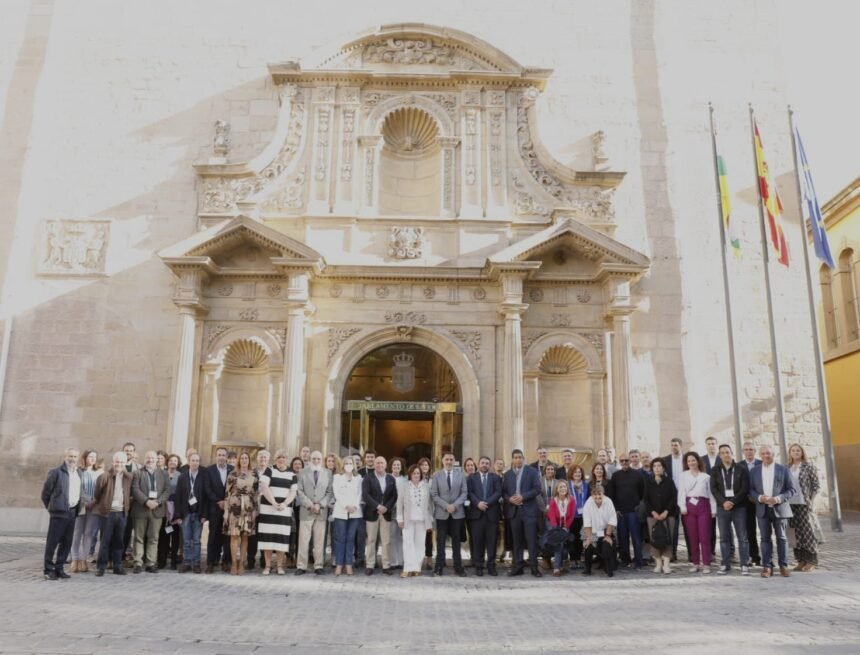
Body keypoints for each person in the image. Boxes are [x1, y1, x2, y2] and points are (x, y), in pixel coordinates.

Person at [749, 444, 796, 578]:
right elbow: (750, 490)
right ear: (760, 455)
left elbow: (792, 490)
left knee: (781, 538)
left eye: (768, 453)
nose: (765, 456)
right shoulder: (754, 471)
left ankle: (783, 566)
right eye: (763, 453)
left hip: (780, 509)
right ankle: (767, 567)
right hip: (762, 509)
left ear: (773, 454)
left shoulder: (783, 470)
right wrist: (759, 497)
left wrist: (778, 498)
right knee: (764, 539)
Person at [710, 444, 750, 576]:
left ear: (732, 453)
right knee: (724, 537)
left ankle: (744, 564)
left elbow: (745, 489)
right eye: (722, 453)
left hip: (739, 507)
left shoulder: (741, 469)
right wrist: (723, 502)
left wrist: (732, 502)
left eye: (727, 452)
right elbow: (714, 489)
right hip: (722, 508)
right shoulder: (715, 470)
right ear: (719, 455)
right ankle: (725, 564)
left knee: (742, 537)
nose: (725, 454)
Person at [41, 449, 81, 580]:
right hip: (58, 513)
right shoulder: (56, 472)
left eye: (75, 456)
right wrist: (52, 509)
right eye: (70, 456)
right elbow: (45, 494)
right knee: (52, 542)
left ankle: (59, 568)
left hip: (72, 512)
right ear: (65, 457)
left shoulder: (78, 473)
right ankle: (48, 569)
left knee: (66, 542)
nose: (72, 459)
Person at [502, 449, 542, 577]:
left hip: (529, 511)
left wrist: (522, 497)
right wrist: (510, 499)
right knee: (516, 541)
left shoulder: (532, 472)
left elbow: (537, 489)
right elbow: (504, 492)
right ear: (512, 460)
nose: (518, 459)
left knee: (531, 541)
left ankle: (534, 568)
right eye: (516, 457)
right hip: (514, 512)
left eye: (520, 457)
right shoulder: (507, 475)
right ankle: (518, 567)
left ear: (523, 458)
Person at [92, 451, 133, 577]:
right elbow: (97, 494)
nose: (119, 464)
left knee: (119, 541)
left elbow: (130, 494)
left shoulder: (128, 477)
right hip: (107, 514)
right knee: (105, 541)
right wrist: (104, 505)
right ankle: (101, 567)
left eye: (121, 462)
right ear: (113, 462)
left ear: (125, 463)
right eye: (117, 461)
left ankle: (117, 566)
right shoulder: (104, 476)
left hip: (121, 513)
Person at [257, 450, 297, 575]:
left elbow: (293, 492)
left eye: (284, 457)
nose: (281, 459)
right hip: (268, 508)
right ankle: (268, 566)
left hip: (284, 510)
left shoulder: (292, 473)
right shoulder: (269, 470)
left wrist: (284, 503)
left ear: (287, 459)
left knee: (281, 538)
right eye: (279, 457)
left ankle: (280, 566)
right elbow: (264, 486)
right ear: (275, 459)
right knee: (267, 538)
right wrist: (273, 502)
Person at [677, 451, 716, 573]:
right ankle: (695, 563)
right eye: (689, 461)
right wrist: (682, 506)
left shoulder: (706, 477)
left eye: (693, 460)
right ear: (686, 463)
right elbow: (681, 492)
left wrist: (713, 509)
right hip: (689, 507)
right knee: (692, 536)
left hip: (704, 505)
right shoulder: (683, 475)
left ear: (698, 461)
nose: (691, 463)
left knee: (704, 536)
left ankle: (706, 563)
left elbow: (711, 495)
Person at [131, 450, 170, 574]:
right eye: (148, 458)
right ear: (144, 459)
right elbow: (135, 489)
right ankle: (138, 562)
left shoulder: (164, 474)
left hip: (157, 510)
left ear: (157, 460)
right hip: (141, 509)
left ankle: (151, 563)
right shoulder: (137, 473)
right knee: (138, 537)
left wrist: (158, 502)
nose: (151, 460)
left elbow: (167, 490)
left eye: (153, 458)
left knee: (154, 538)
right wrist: (147, 501)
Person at [430, 452, 468, 577]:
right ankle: (439, 567)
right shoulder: (436, 475)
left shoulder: (460, 475)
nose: (449, 462)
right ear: (442, 461)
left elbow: (464, 493)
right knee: (440, 541)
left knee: (456, 542)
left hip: (457, 514)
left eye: (451, 459)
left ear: (454, 461)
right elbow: (434, 495)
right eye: (447, 459)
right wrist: (447, 506)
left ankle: (458, 567)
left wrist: (454, 506)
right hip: (442, 513)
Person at [295, 451, 332, 576]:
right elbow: (299, 491)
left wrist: (320, 504)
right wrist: (310, 504)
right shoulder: (302, 472)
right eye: (314, 458)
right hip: (307, 510)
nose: (316, 461)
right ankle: (301, 565)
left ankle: (318, 565)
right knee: (304, 539)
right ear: (310, 459)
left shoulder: (328, 473)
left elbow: (330, 492)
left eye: (318, 459)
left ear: (322, 460)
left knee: (319, 540)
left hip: (321, 511)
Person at [223, 452, 259, 575]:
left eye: (246, 458)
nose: (244, 460)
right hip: (234, 508)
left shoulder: (254, 474)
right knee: (234, 536)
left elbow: (255, 494)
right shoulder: (232, 474)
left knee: (244, 537)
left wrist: (255, 510)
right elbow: (227, 494)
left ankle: (242, 563)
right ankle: (234, 563)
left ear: (249, 460)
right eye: (242, 458)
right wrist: (226, 512)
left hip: (248, 508)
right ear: (239, 460)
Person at [787, 443, 821, 572]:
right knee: (796, 533)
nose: (795, 452)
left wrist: (811, 502)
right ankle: (801, 560)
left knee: (808, 533)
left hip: (804, 503)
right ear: (790, 453)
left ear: (802, 452)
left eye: (798, 450)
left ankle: (812, 561)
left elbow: (816, 486)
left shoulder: (808, 466)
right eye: (793, 450)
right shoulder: (788, 468)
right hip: (791, 504)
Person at [466, 456, 502, 577]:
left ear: (490, 465)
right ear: (478, 464)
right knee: (478, 541)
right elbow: (469, 492)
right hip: (476, 514)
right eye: (482, 463)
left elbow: (498, 492)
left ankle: (491, 566)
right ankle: (479, 566)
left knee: (492, 542)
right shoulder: (471, 478)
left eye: (487, 463)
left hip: (492, 514)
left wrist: (487, 503)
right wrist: (478, 503)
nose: (485, 465)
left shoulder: (496, 478)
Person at [397, 464, 434, 578]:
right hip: (408, 520)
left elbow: (430, 505)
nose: (416, 475)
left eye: (418, 473)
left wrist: (430, 520)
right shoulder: (404, 486)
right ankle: (407, 568)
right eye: (414, 473)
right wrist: (400, 518)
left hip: (422, 520)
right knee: (408, 544)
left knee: (420, 544)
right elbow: (400, 503)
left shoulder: (426, 486)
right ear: (410, 474)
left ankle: (416, 568)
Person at [610, 452, 646, 569]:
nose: (625, 463)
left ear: (630, 461)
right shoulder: (615, 476)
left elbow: (643, 493)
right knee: (623, 538)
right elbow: (612, 494)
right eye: (622, 461)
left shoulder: (638, 475)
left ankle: (638, 561)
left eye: (626, 460)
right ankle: (625, 560)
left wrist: (638, 507)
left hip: (633, 512)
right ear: (619, 462)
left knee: (636, 537)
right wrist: (616, 509)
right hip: (620, 512)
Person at [362, 456, 397, 575]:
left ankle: (386, 565)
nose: (379, 465)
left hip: (386, 514)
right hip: (372, 513)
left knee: (386, 541)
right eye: (377, 463)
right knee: (371, 540)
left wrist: (386, 507)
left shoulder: (391, 478)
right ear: (374, 465)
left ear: (386, 465)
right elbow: (366, 495)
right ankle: (370, 565)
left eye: (382, 463)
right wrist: (378, 506)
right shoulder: (368, 478)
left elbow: (394, 496)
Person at [70, 449, 103, 573]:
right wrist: (85, 501)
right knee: (77, 532)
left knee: (89, 533)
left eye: (95, 457)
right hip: (81, 505)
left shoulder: (99, 472)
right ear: (85, 458)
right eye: (90, 457)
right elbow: (78, 487)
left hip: (94, 506)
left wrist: (94, 501)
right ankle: (75, 559)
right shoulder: (79, 471)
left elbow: (101, 489)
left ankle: (84, 559)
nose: (93, 459)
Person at [202, 447, 233, 573]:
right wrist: (218, 501)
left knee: (227, 536)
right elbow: (207, 489)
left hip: (229, 509)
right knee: (213, 536)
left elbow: (235, 488)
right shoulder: (209, 470)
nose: (221, 457)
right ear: (216, 456)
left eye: (223, 455)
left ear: (226, 457)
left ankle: (226, 561)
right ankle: (211, 561)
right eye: (219, 455)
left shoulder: (232, 469)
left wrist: (226, 502)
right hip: (214, 508)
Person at [332, 455, 363, 576]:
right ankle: (339, 565)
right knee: (340, 539)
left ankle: (349, 564)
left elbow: (360, 493)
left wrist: (354, 506)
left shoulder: (358, 478)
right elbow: (337, 494)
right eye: (346, 463)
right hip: (341, 511)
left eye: (351, 463)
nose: (349, 465)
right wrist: (346, 506)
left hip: (355, 512)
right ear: (343, 465)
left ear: (354, 465)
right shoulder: (337, 477)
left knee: (350, 539)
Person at [174, 452, 205, 573]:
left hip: (198, 513)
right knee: (186, 541)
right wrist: (178, 515)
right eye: (193, 460)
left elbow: (205, 497)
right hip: (185, 513)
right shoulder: (182, 477)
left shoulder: (203, 476)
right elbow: (178, 497)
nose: (195, 463)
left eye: (197, 461)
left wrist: (204, 515)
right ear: (189, 461)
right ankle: (186, 562)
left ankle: (196, 563)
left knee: (196, 540)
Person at [644, 458, 676, 574]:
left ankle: (666, 565)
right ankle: (658, 564)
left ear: (663, 468)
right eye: (655, 466)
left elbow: (673, 498)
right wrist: (653, 512)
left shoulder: (669, 482)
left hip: (668, 515)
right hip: (652, 515)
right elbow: (646, 499)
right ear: (652, 469)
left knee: (667, 539)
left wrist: (666, 512)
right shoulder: (648, 482)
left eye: (659, 466)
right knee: (654, 539)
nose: (657, 468)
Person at [581, 483, 617, 577]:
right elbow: (587, 521)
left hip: (607, 529)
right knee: (588, 547)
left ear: (603, 494)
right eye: (595, 494)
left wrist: (608, 535)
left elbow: (612, 519)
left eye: (599, 494)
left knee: (606, 545)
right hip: (592, 530)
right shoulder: (588, 503)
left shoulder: (608, 502)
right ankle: (587, 569)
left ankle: (608, 568)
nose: (597, 497)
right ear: (592, 495)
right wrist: (589, 538)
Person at [661, 438, 685, 561]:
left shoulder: (686, 459)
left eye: (676, 445)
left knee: (688, 526)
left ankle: (692, 554)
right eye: (672, 445)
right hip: (671, 497)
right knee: (673, 528)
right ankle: (672, 553)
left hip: (686, 495)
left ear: (680, 446)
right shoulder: (665, 460)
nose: (674, 447)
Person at [246, 450, 271, 571]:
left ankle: (263, 560)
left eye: (265, 457)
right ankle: (250, 559)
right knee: (252, 535)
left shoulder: (271, 472)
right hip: (253, 507)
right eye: (261, 457)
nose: (263, 459)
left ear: (268, 459)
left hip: (267, 507)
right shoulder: (252, 472)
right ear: (257, 459)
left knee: (264, 534)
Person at [157, 453, 182, 570]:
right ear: (167, 462)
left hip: (175, 509)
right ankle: (161, 561)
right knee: (163, 536)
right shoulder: (162, 474)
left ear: (178, 463)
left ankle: (173, 562)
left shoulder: (181, 476)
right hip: (163, 508)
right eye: (171, 460)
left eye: (175, 461)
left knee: (175, 536)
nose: (173, 462)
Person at [546, 480, 576, 576]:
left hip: (567, 525)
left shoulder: (572, 500)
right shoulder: (553, 501)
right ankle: (557, 568)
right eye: (561, 487)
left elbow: (571, 516)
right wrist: (557, 529)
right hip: (556, 527)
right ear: (557, 489)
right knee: (559, 544)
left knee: (565, 547)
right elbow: (551, 516)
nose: (563, 489)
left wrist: (566, 528)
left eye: (565, 487)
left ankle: (561, 564)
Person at [740, 441, 762, 566]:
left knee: (765, 531)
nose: (749, 452)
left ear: (755, 451)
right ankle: (754, 556)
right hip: (746, 502)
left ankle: (768, 556)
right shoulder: (739, 465)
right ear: (743, 452)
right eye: (746, 449)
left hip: (761, 501)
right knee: (750, 531)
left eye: (751, 449)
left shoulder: (761, 463)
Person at [354, 450, 376, 569]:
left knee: (373, 534)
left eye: (372, 457)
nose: (370, 459)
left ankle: (372, 558)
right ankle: (360, 557)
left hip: (374, 506)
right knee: (361, 533)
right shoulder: (359, 472)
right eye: (368, 457)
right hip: (362, 505)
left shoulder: (379, 471)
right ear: (365, 459)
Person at [567, 464, 589, 568]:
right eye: (575, 472)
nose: (577, 474)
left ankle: (579, 558)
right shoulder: (567, 485)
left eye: (579, 472)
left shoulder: (585, 485)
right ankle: (572, 559)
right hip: (571, 516)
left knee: (580, 538)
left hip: (583, 516)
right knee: (572, 537)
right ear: (571, 473)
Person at [388, 457, 407, 570]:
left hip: (403, 512)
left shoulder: (405, 479)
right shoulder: (387, 478)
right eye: (394, 465)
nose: (396, 467)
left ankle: (401, 561)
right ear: (391, 466)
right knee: (392, 536)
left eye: (398, 465)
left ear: (401, 467)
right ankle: (393, 561)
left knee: (402, 537)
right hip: (391, 511)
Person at [418, 457, 434, 570]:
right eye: (422, 465)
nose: (424, 467)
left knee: (428, 538)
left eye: (426, 465)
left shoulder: (432, 480)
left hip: (429, 513)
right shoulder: (415, 478)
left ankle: (429, 560)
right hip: (417, 513)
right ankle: (418, 560)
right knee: (418, 537)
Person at [288, 456, 304, 565]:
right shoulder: (289, 476)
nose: (297, 466)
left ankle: (299, 557)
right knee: (290, 533)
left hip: (302, 508)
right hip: (290, 507)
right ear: (292, 466)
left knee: (300, 534)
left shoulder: (305, 477)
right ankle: (289, 556)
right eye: (295, 464)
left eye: (299, 464)